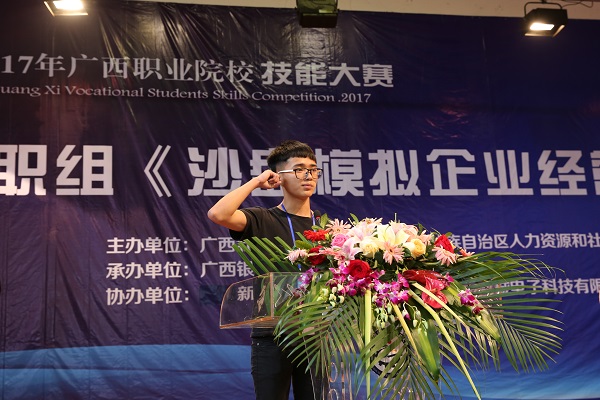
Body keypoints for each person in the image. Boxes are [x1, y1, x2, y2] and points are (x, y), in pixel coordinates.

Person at [207, 140, 323, 400]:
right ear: (279, 176)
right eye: (299, 169)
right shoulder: (262, 218)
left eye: (313, 170)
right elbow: (218, 214)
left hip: (317, 335)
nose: (308, 176)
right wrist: (256, 182)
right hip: (273, 334)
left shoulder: (325, 228)